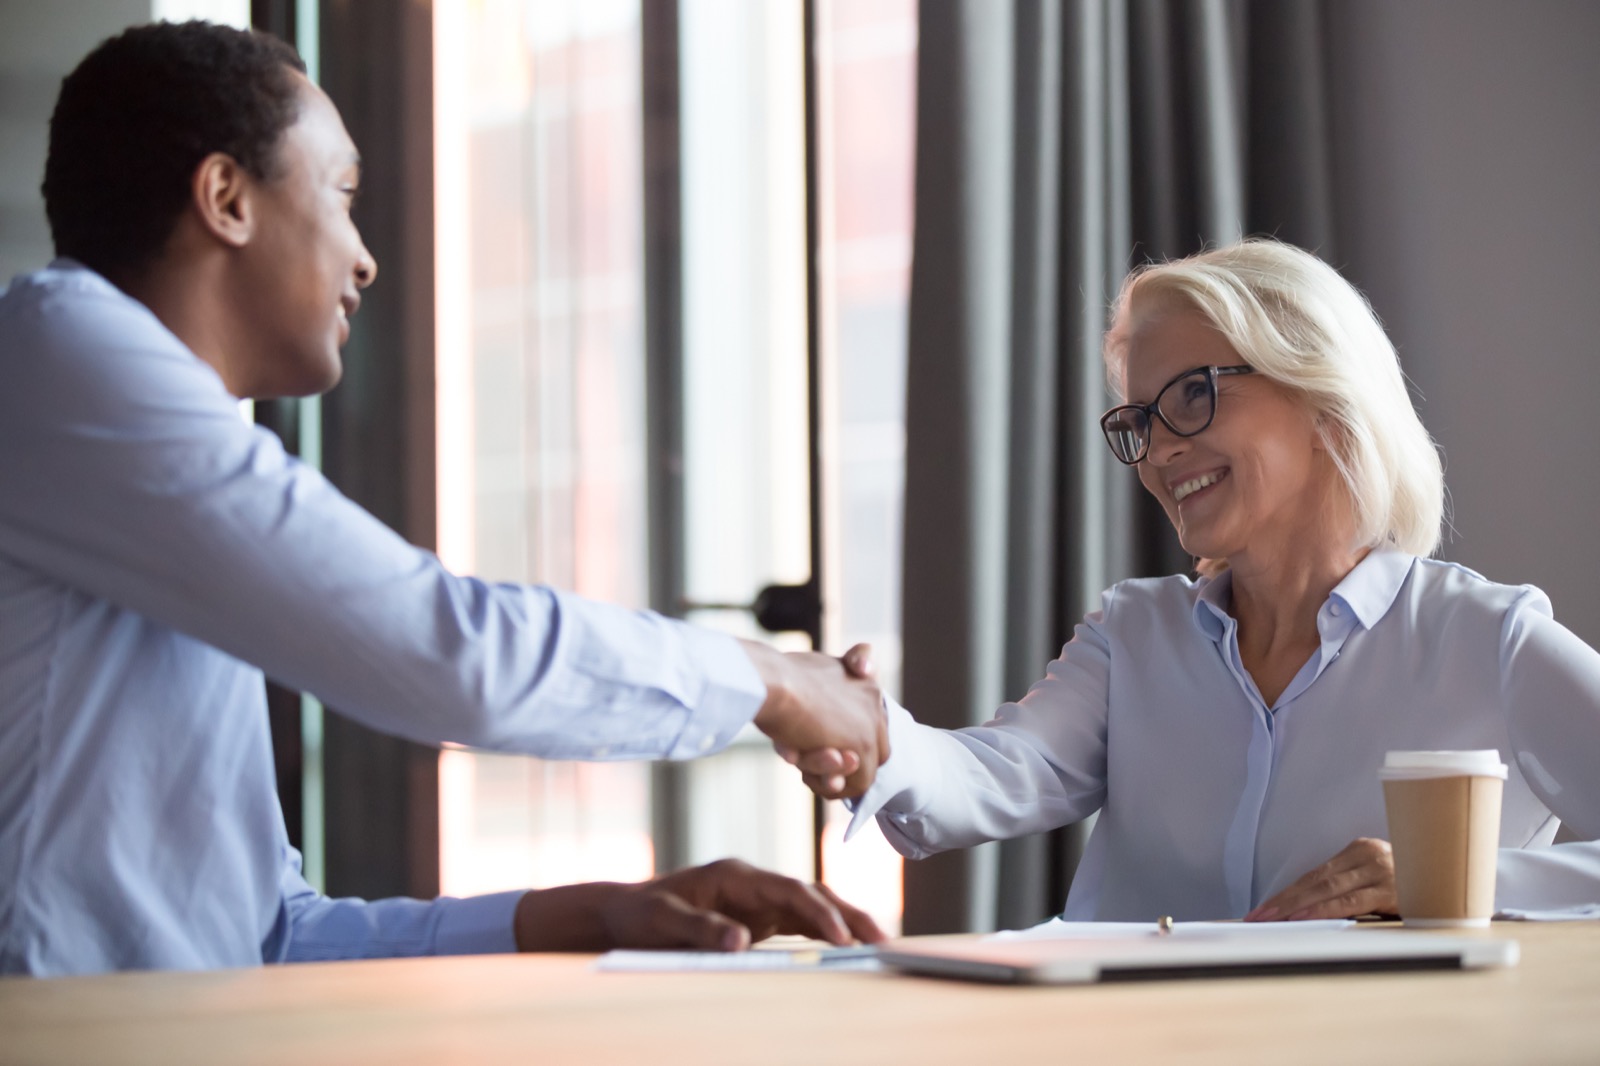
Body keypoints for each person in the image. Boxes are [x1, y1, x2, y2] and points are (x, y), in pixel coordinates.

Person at [0, 21, 885, 977]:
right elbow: (444, 647)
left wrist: (591, 915)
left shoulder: (137, 462)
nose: (365, 258)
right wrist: (772, 681)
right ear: (226, 199)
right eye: (341, 197)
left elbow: (269, 937)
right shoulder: (62, 356)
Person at [795, 238, 1600, 923]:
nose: (1159, 450)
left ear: (1323, 398)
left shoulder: (1487, 640)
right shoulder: (1132, 635)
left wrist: (1449, 884)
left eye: (1193, 394)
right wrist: (873, 737)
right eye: (1140, 420)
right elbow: (999, 773)